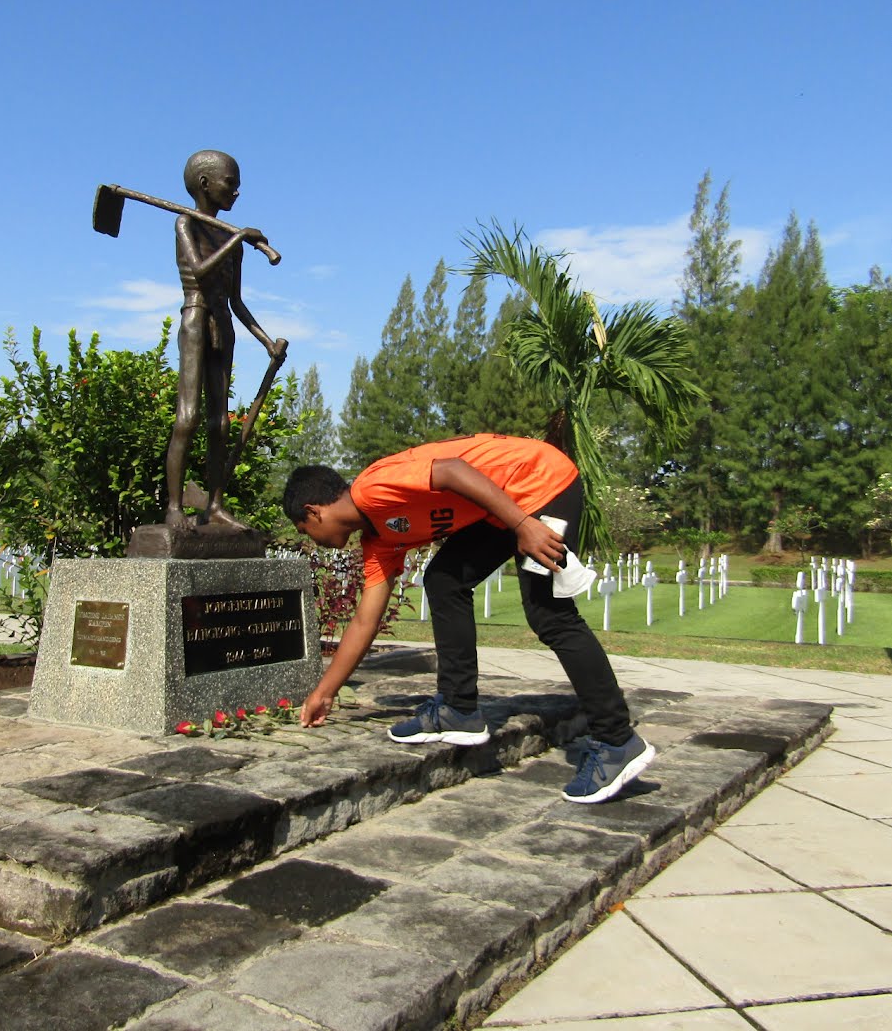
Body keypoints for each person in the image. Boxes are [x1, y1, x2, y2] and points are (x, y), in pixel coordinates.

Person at [283, 433, 655, 804]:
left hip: (541, 483)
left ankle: (616, 739)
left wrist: (523, 524)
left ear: (315, 512)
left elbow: (451, 471)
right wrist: (324, 693)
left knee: (550, 615)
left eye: (305, 531)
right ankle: (458, 710)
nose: (312, 539)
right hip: (502, 510)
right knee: (444, 581)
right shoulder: (378, 543)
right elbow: (365, 622)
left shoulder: (373, 488)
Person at [166, 150, 283, 531]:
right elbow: (199, 271)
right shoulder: (187, 224)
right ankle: (173, 509)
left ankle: (214, 506)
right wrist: (239, 239)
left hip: (223, 325)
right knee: (189, 417)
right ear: (204, 184)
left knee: (220, 423)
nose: (236, 192)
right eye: (230, 183)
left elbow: (236, 300)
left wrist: (267, 343)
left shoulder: (227, 234)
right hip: (197, 319)